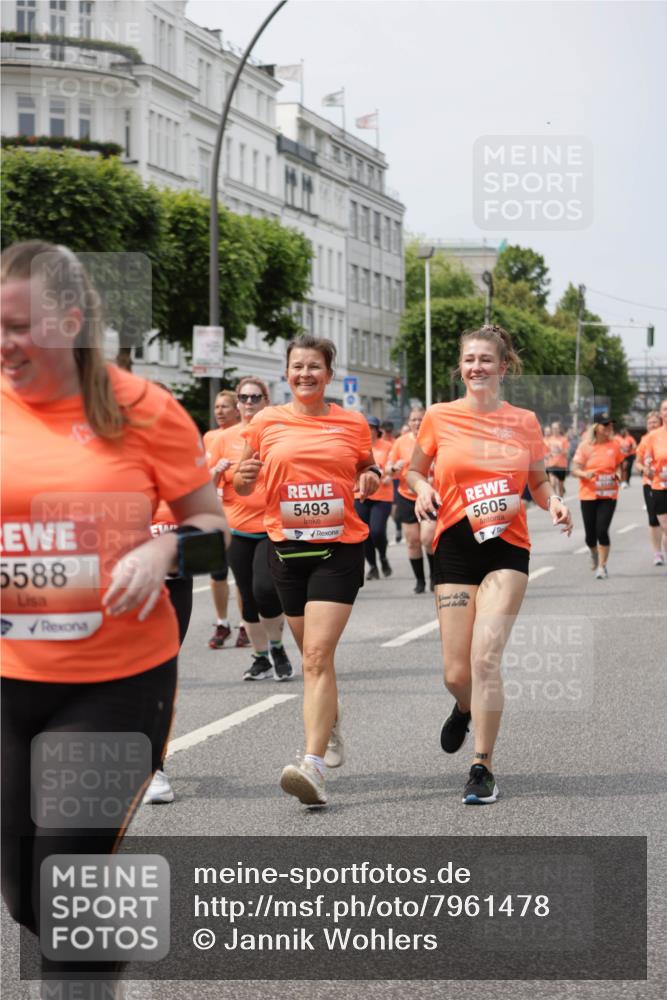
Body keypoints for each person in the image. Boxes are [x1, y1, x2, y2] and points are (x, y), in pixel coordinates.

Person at [0, 242, 227, 988]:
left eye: (19, 325)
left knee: (66, 872)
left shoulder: (141, 408)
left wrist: (164, 553)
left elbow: (214, 534)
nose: (4, 343)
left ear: (70, 322)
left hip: (115, 683)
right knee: (25, 893)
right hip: (8, 680)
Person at [407, 324, 572, 805]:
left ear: (504, 367)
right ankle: (463, 707)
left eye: (486, 359)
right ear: (461, 366)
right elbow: (415, 469)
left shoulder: (524, 421)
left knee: (485, 660)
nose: (476, 367)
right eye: (469, 359)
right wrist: (422, 489)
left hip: (507, 548)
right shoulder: (438, 416)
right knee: (457, 674)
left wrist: (555, 501)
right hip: (456, 546)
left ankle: (482, 765)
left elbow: (539, 484)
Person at [234, 335, 380, 807]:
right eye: (297, 366)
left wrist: (369, 477)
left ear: (329, 374)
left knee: (317, 656)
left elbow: (370, 468)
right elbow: (242, 475)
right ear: (287, 372)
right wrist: (243, 479)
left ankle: (312, 766)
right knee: (311, 656)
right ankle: (330, 719)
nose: (305, 374)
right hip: (286, 548)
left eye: (314, 366)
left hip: (340, 548)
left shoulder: (353, 423)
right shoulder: (265, 422)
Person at [208, 376, 294, 681]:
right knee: (246, 592)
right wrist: (215, 474)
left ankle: (278, 645)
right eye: (243, 398)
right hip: (237, 527)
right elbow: (205, 485)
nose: (248, 404)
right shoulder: (220, 438)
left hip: (272, 526)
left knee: (265, 589)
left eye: (255, 398)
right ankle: (261, 657)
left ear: (266, 401)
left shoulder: (278, 433)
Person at [204, 389, 249, 650]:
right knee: (217, 572)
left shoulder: (244, 435)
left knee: (240, 573)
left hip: (239, 514)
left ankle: (245, 624)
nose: (219, 411)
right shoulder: (210, 437)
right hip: (215, 512)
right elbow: (202, 476)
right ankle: (222, 622)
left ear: (237, 409)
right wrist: (213, 472)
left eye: (225, 406)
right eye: (216, 407)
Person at [388, 408, 435, 592]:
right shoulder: (400, 442)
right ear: (409, 422)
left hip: (428, 496)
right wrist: (394, 468)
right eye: (414, 420)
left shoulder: (433, 440)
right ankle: (420, 581)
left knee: (427, 538)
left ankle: (434, 576)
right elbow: (388, 468)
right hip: (406, 496)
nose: (417, 423)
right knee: (413, 541)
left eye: (420, 419)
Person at [571, 415, 624, 578]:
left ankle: (602, 566)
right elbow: (574, 469)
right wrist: (585, 474)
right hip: (588, 494)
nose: (609, 427)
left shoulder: (614, 445)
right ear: (596, 427)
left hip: (609, 494)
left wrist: (618, 475)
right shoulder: (585, 446)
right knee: (590, 536)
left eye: (611, 425)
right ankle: (593, 552)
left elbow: (618, 466)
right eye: (605, 425)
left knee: (602, 530)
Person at [355, 416, 394, 580]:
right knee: (365, 534)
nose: (369, 431)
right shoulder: (357, 446)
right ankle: (372, 566)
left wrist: (389, 474)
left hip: (382, 495)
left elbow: (392, 465)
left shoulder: (387, 446)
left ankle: (383, 557)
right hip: (360, 495)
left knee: (377, 531)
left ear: (377, 430)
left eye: (372, 428)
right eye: (366, 427)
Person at [636, 410, 665, 566]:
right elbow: (638, 461)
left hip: (664, 483)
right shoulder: (645, 440)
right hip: (650, 483)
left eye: (655, 422)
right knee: (653, 519)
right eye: (649, 423)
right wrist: (643, 469)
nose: (652, 425)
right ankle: (657, 553)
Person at [381, 419, 402, 543]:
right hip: (381, 482)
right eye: (385, 431)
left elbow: (398, 463)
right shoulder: (379, 443)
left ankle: (398, 527)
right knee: (386, 513)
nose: (388, 434)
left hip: (394, 480)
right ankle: (383, 537)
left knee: (394, 510)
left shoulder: (395, 443)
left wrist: (391, 476)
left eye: (390, 431)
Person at [543, 420, 569, 498]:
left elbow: (566, 452)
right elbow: (545, 452)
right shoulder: (549, 439)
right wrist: (547, 455)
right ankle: (555, 500)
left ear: (559, 429)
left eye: (556, 428)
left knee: (560, 487)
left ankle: (561, 500)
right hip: (551, 465)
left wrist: (561, 450)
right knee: (553, 483)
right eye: (553, 428)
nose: (554, 430)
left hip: (561, 465)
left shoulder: (564, 439)